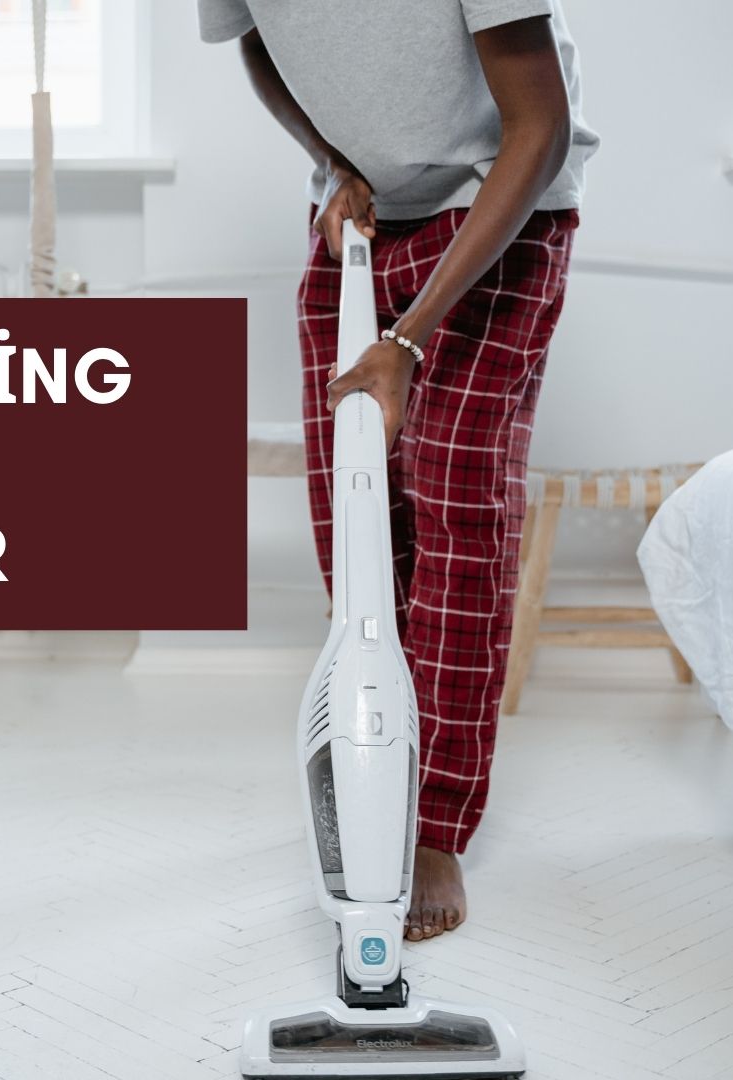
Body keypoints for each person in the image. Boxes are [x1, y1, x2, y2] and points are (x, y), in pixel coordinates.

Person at [198, 0, 597, 941]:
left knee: (455, 501)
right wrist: (335, 161)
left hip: (503, 207)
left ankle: (436, 823)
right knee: (358, 513)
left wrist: (410, 339)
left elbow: (538, 127)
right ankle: (374, 772)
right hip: (364, 216)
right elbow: (256, 43)